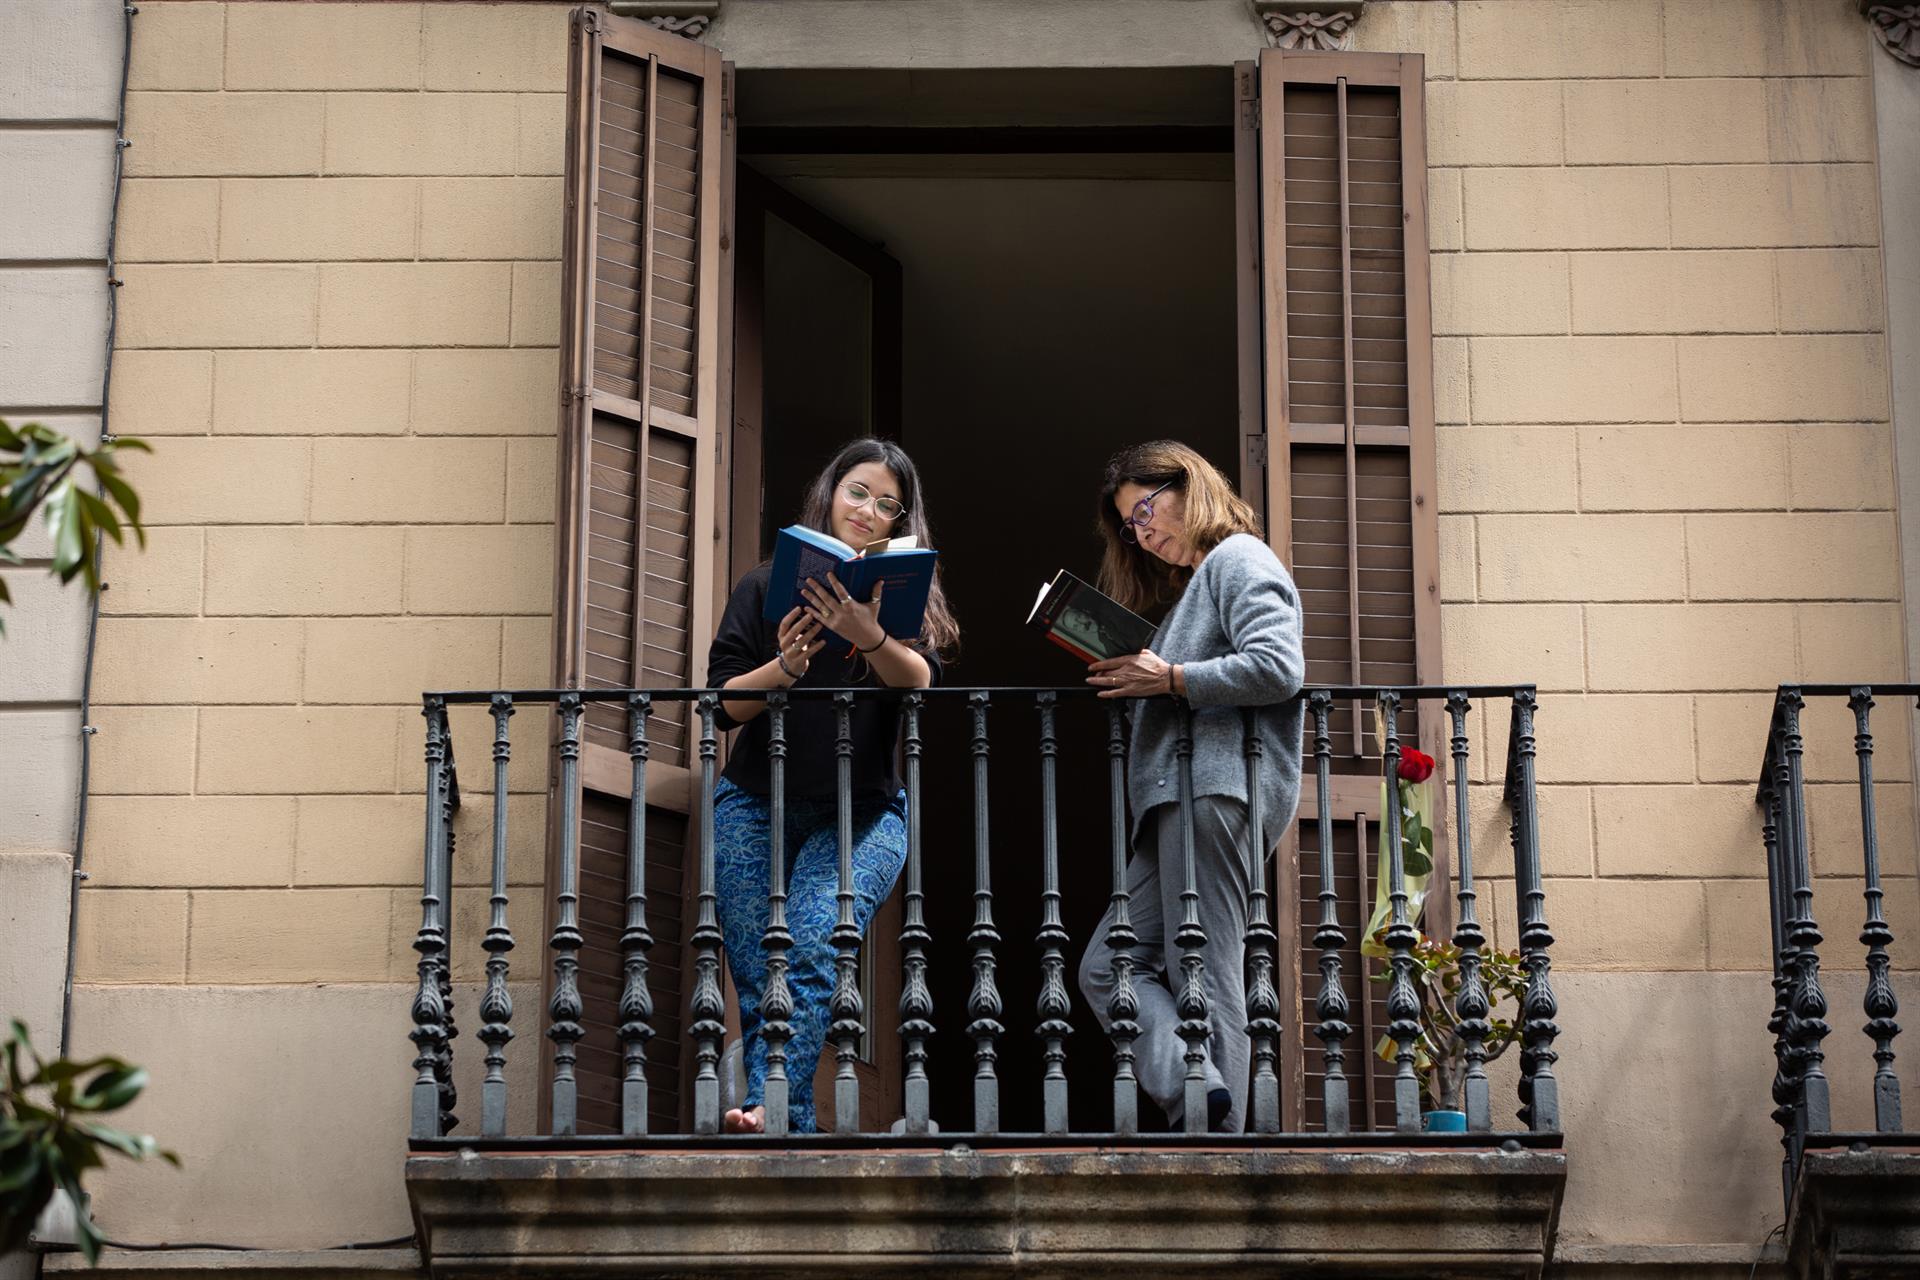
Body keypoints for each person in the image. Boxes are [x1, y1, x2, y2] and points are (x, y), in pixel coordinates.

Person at [705, 438, 960, 1134]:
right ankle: (782, 1116)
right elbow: (723, 702)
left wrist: (869, 636)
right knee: (760, 965)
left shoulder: (906, 607)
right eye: (858, 492)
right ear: (830, 492)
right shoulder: (764, 587)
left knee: (815, 938)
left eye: (887, 505)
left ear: (899, 525)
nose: (868, 511)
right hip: (757, 798)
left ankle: (772, 1109)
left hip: (865, 811)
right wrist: (784, 665)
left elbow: (922, 683)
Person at [1076, 440, 1305, 1133]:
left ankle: (1227, 1147)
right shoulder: (1193, 589)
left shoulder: (1239, 558)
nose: (1144, 532)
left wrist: (1171, 678)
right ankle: (1200, 1091)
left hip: (1212, 790)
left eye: (1147, 509)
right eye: (1130, 525)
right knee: (1106, 965)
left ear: (1189, 486)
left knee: (1204, 969)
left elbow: (1278, 666)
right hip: (1177, 800)